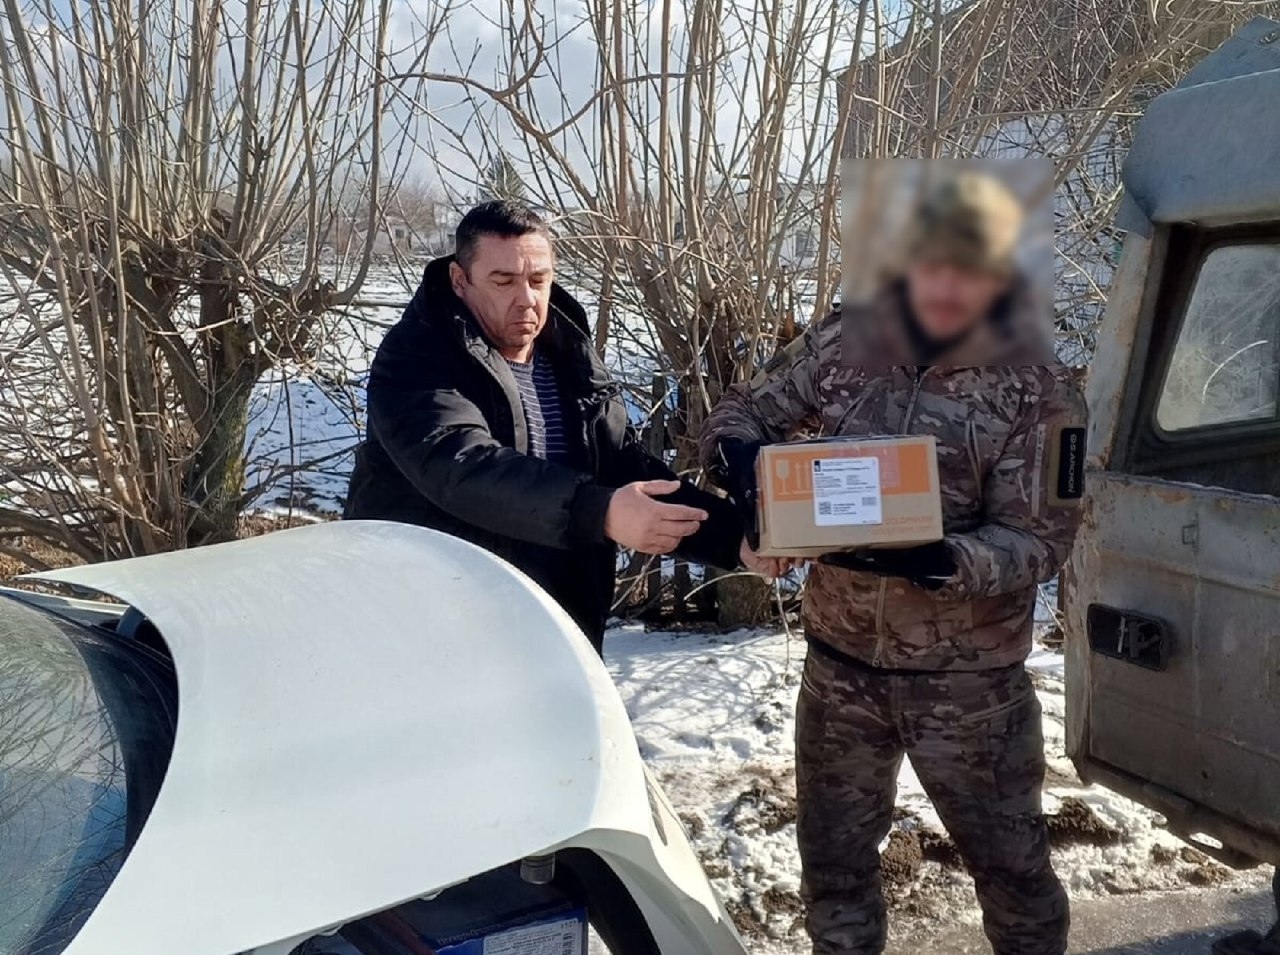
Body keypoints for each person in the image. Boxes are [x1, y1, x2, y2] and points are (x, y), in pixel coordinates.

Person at [701, 170, 1087, 955]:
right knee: (833, 871)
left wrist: (948, 558)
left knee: (1014, 877)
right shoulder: (849, 339)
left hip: (968, 688)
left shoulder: (1037, 386)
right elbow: (740, 412)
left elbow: (1041, 540)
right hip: (840, 670)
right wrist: (748, 478)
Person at [345, 200, 743, 655]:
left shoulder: (570, 353)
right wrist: (599, 512)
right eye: (503, 281)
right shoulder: (417, 355)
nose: (527, 298)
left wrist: (733, 539)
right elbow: (462, 467)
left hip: (559, 630)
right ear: (459, 279)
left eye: (539, 280)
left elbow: (624, 468)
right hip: (433, 632)